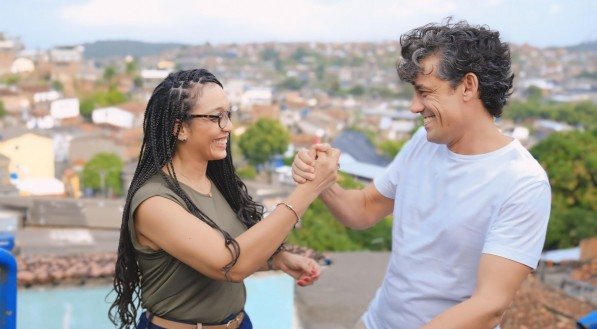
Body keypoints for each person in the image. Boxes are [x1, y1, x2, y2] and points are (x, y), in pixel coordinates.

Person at [292, 20, 551, 329]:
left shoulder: (523, 182)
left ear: (468, 86)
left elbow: (489, 305)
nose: (414, 107)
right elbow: (361, 211)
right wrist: (322, 180)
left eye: (424, 92)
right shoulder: (423, 143)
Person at [109, 69, 340, 329]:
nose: (228, 126)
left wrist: (277, 259)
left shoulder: (216, 184)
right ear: (179, 128)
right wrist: (309, 189)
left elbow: (235, 246)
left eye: (228, 114)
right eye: (216, 116)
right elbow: (230, 264)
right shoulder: (154, 203)